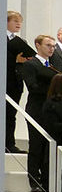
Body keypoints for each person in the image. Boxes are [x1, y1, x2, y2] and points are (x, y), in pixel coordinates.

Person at [21, 34, 62, 190]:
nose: (52, 48)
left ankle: (46, 180)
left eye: (53, 46)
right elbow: (32, 86)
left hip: (52, 110)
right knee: (36, 145)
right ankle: (34, 180)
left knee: (48, 147)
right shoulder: (31, 64)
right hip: (37, 109)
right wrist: (53, 87)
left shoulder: (54, 65)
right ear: (37, 45)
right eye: (48, 45)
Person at [7, 11, 27, 153]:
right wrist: (14, 61)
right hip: (5, 81)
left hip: (16, 83)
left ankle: (9, 143)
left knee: (11, 114)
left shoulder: (21, 42)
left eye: (20, 21)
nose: (18, 24)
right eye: (15, 21)